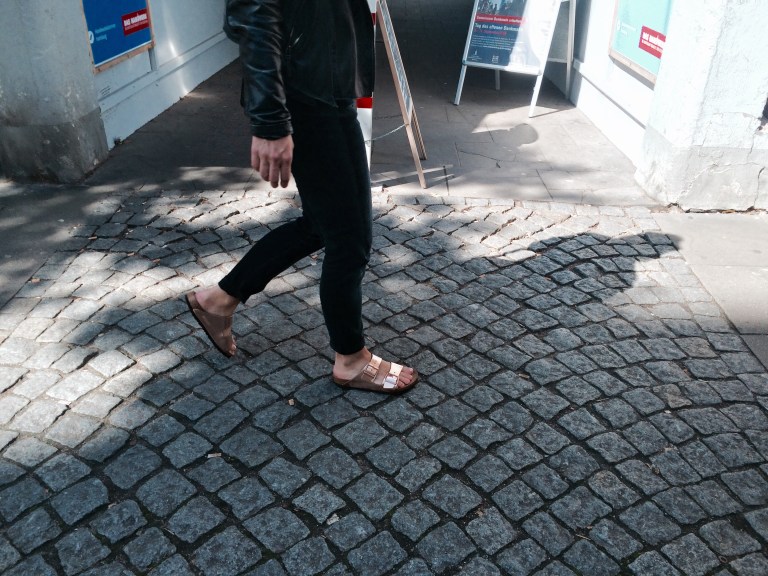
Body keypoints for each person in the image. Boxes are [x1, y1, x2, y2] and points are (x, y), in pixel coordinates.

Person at [185, 0, 418, 394]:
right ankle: (351, 359)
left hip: (325, 81)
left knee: (321, 225)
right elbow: (254, 15)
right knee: (349, 239)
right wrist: (270, 123)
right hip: (310, 95)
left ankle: (219, 299)